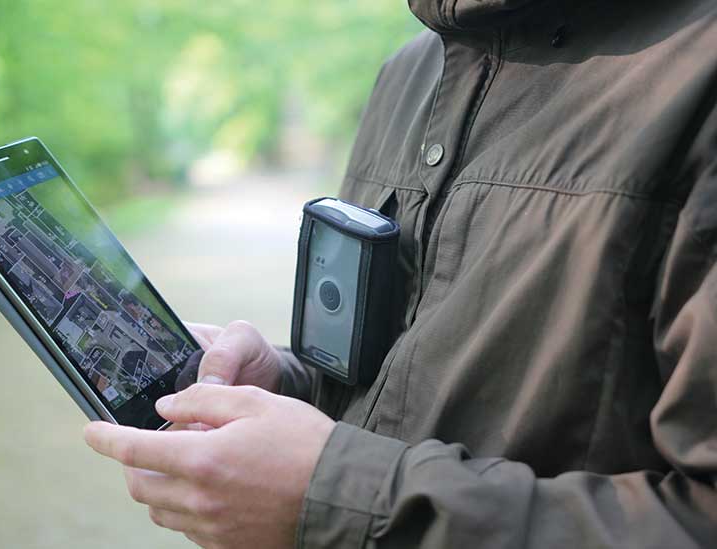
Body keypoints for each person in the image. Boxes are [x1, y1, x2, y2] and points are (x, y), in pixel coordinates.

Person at [83, 0, 717, 547]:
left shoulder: (697, 74)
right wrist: (286, 386)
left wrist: (333, 496)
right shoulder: (409, 73)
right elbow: (392, 385)